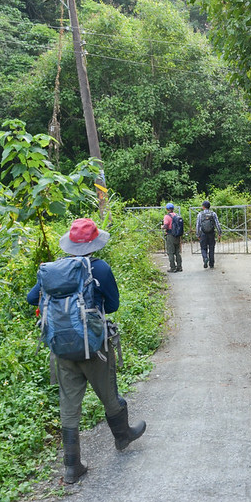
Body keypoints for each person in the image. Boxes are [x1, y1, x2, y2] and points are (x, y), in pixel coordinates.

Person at [26, 218, 146, 484]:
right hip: (94, 346)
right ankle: (123, 436)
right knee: (108, 393)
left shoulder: (52, 270)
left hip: (61, 349)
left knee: (69, 405)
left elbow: (31, 298)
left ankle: (71, 467)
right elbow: (112, 305)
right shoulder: (100, 268)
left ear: (69, 244)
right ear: (94, 243)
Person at [195, 200, 222, 269]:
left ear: (203, 207)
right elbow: (217, 224)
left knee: (203, 248)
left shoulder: (200, 214)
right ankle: (211, 264)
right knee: (211, 248)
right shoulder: (213, 214)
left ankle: (205, 258)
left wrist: (197, 234)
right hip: (211, 233)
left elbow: (198, 225)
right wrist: (219, 233)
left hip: (203, 234)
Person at [162, 203, 183, 272]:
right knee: (177, 252)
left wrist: (162, 227)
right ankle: (179, 267)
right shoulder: (176, 215)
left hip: (170, 235)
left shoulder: (167, 216)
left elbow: (165, 226)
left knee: (170, 252)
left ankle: (173, 267)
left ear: (167, 209)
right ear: (173, 209)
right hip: (177, 235)